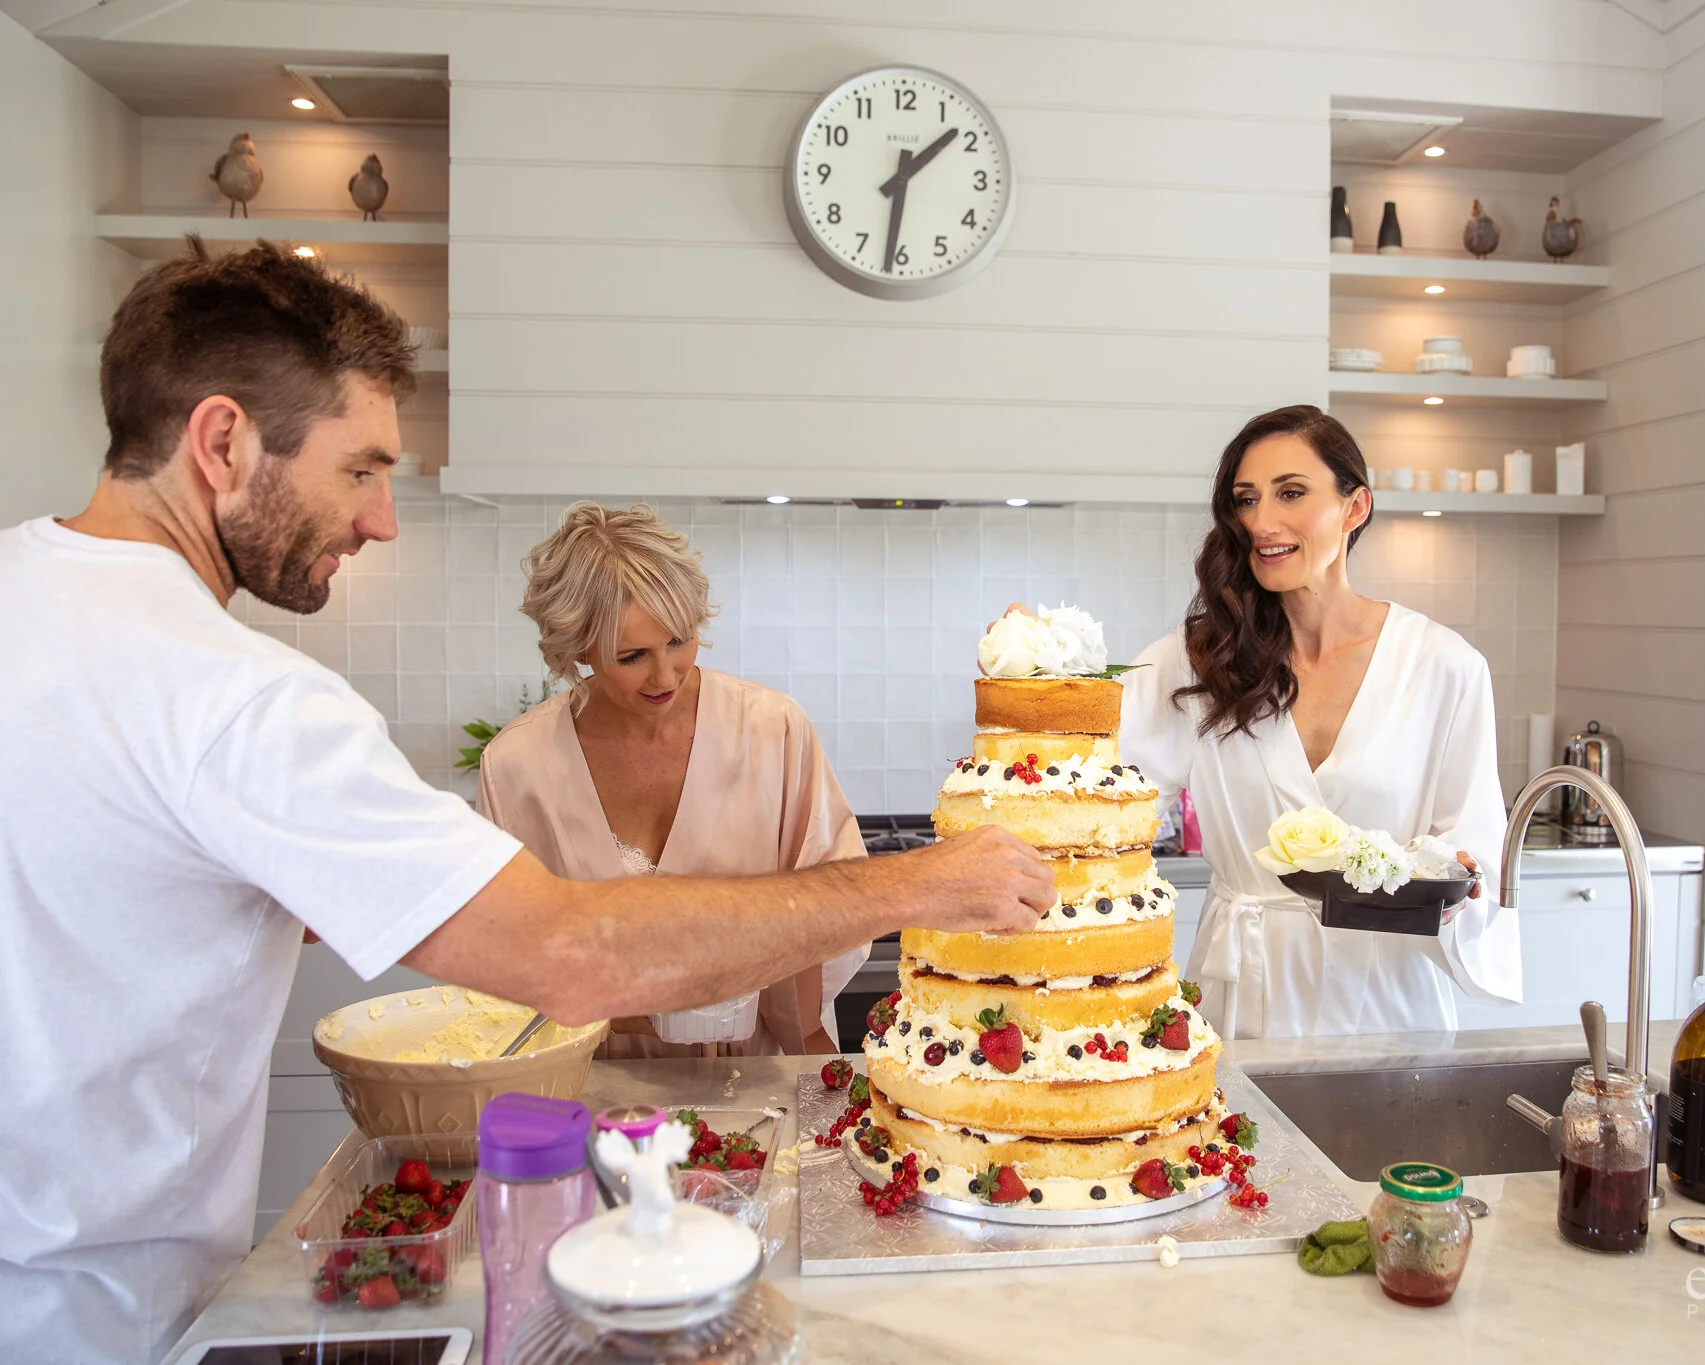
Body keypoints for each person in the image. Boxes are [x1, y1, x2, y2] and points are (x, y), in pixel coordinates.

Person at [0, 242, 1050, 1365]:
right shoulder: (236, 699)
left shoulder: (30, 594)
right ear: (221, 443)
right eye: (360, 468)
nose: (382, 520)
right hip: (98, 1309)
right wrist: (930, 878)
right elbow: (570, 954)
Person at [1120, 404, 1520, 1037]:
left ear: (1354, 507)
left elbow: (1476, 853)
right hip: (1244, 1000)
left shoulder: (1443, 666)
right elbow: (1097, 782)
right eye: (1246, 500)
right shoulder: (1198, 659)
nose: (1262, 522)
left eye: (1292, 494)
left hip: (1390, 1005)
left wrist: (1458, 882)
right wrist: (1036, 667)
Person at [477, 503, 864, 1059]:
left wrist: (806, 1045)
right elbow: (500, 952)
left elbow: (830, 901)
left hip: (749, 1076)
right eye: (632, 656)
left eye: (679, 641)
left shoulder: (771, 729)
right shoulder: (517, 767)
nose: (665, 677)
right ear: (578, 649)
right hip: (587, 1085)